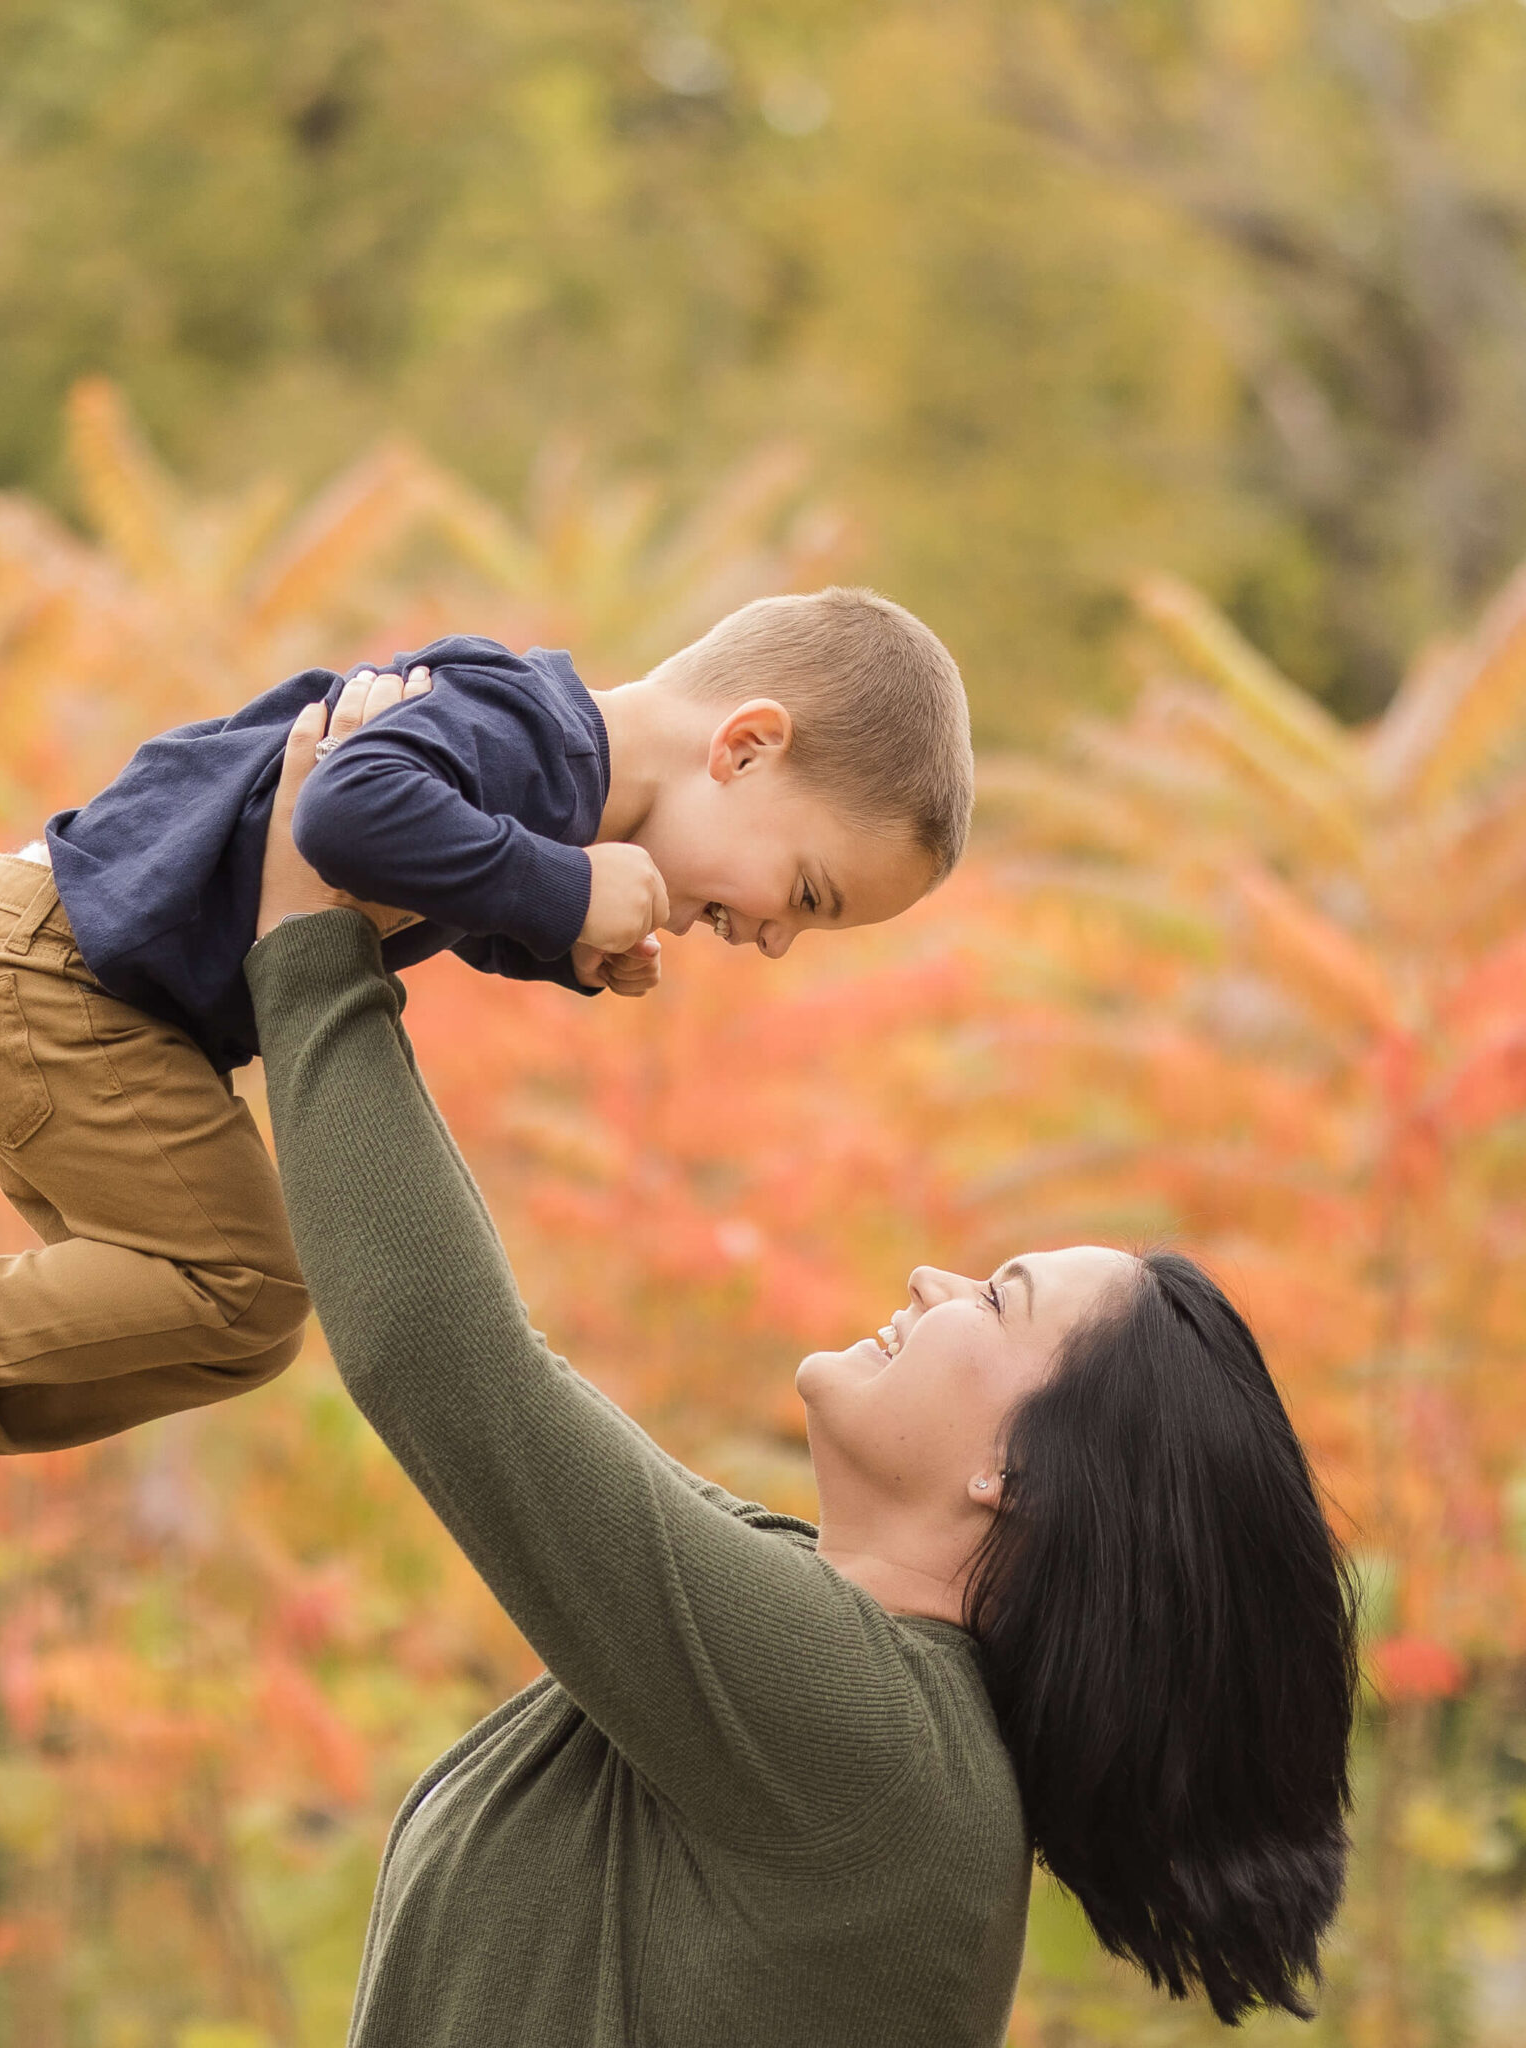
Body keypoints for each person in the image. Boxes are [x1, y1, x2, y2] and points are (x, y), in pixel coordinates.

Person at [244, 688, 1359, 2041]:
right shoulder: (827, 1673)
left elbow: (452, 1367)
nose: (931, 1282)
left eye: (996, 1299)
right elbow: (507, 1394)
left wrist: (309, 937)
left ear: (1019, 1473)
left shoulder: (866, 1746)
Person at [0, 589, 975, 1669]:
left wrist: (565, 945)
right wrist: (564, 887)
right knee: (244, 1286)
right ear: (747, 747)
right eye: (805, 895)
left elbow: (422, 875)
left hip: (85, 993)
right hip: (51, 980)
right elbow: (343, 814)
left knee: (235, 1328)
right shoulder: (533, 730)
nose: (772, 938)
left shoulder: (542, 771)